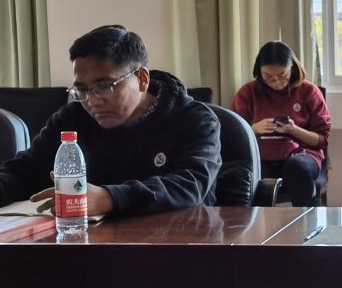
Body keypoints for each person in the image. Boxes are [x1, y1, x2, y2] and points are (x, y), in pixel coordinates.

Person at [0, 25, 221, 215]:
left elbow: (190, 184)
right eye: (82, 90)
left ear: (142, 79)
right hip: (87, 242)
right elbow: (24, 171)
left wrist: (109, 198)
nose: (92, 100)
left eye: (105, 86)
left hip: (176, 241)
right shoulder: (72, 119)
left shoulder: (195, 120)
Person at [232, 41, 331, 207]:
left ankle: (307, 217)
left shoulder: (308, 91)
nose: (276, 81)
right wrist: (253, 129)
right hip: (261, 154)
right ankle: (254, 221)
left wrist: (293, 130)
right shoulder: (247, 93)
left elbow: (322, 140)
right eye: (268, 76)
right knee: (242, 172)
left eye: (282, 75)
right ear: (259, 71)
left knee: (297, 166)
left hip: (301, 154)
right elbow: (233, 136)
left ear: (293, 68)